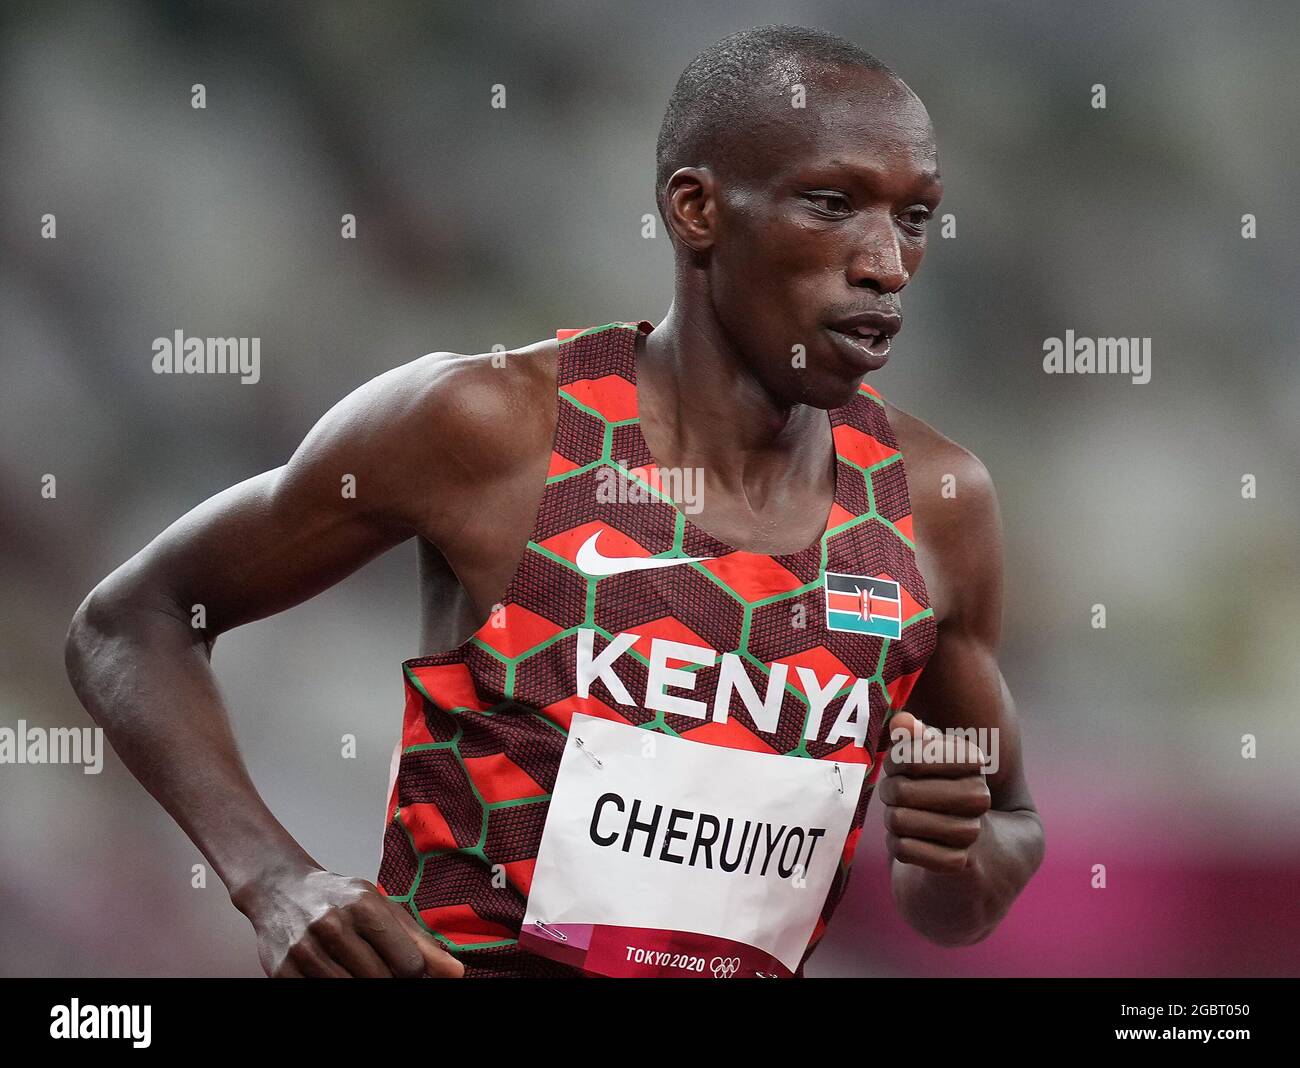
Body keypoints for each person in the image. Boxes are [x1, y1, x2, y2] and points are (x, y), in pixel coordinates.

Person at [65, 24, 1043, 978]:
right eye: (832, 204)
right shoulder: (487, 428)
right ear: (696, 210)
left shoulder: (936, 504)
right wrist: (274, 882)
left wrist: (951, 850)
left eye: (914, 218)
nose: (885, 264)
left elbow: (984, 862)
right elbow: (129, 624)